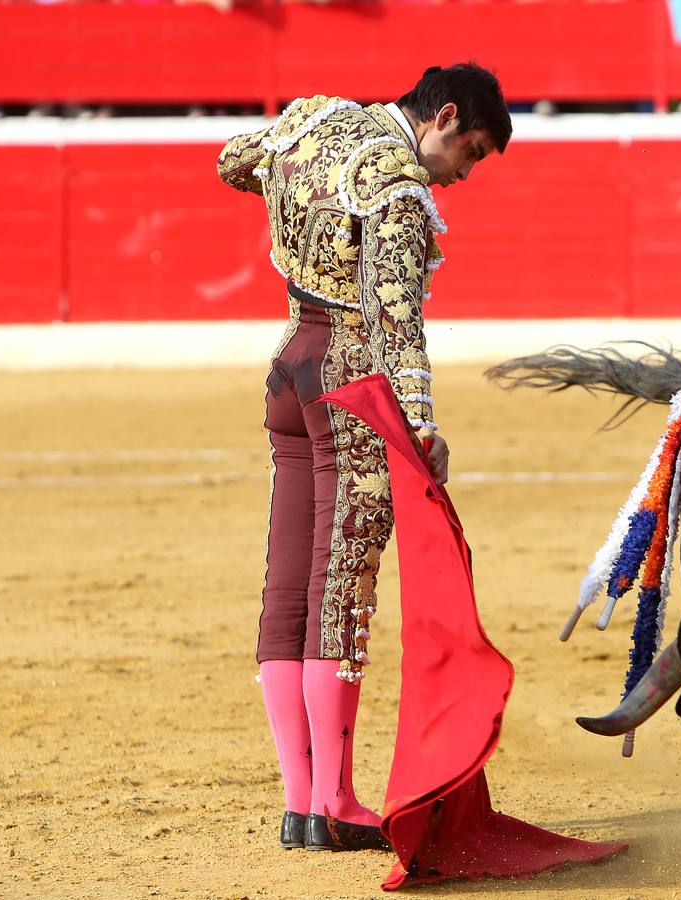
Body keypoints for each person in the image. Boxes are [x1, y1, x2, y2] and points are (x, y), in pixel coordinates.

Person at [216, 63, 510, 853]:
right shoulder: (397, 188)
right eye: (470, 152)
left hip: (290, 369)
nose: (460, 174)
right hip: (349, 383)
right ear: (443, 116)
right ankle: (335, 800)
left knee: (289, 589)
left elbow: (234, 159)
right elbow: (395, 322)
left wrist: (304, 191)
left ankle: (299, 803)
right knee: (337, 590)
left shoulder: (313, 122)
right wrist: (417, 429)